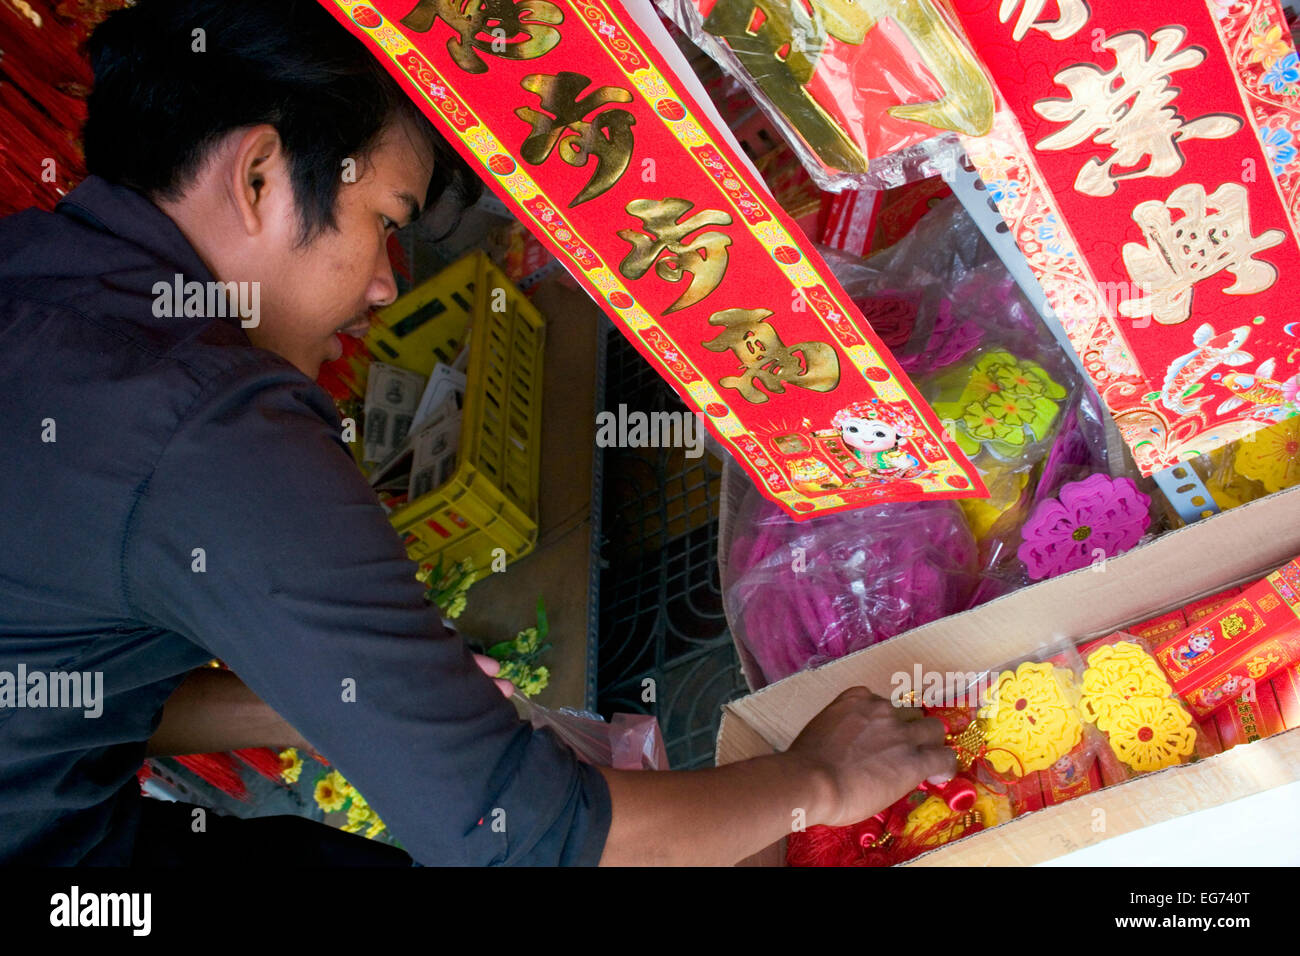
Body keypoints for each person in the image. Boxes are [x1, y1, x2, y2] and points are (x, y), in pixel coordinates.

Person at [0, 0, 954, 866]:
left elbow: (46, 683)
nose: (383, 284)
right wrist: (820, 778)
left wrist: (321, 696)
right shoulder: (208, 425)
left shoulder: (33, 288)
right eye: (385, 221)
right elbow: (519, 834)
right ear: (258, 175)